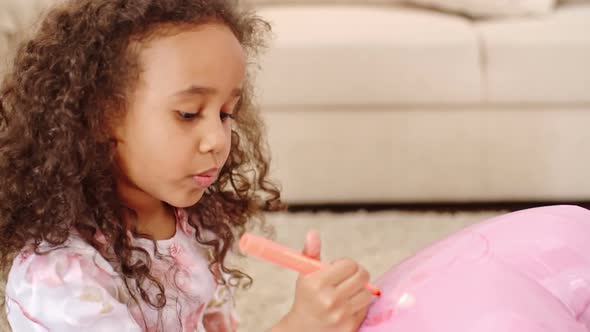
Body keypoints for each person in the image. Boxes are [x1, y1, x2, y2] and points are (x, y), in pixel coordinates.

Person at [0, 1, 373, 331]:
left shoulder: (192, 225)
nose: (217, 140)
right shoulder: (59, 276)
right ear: (102, 116)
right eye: (188, 113)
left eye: (226, 114)